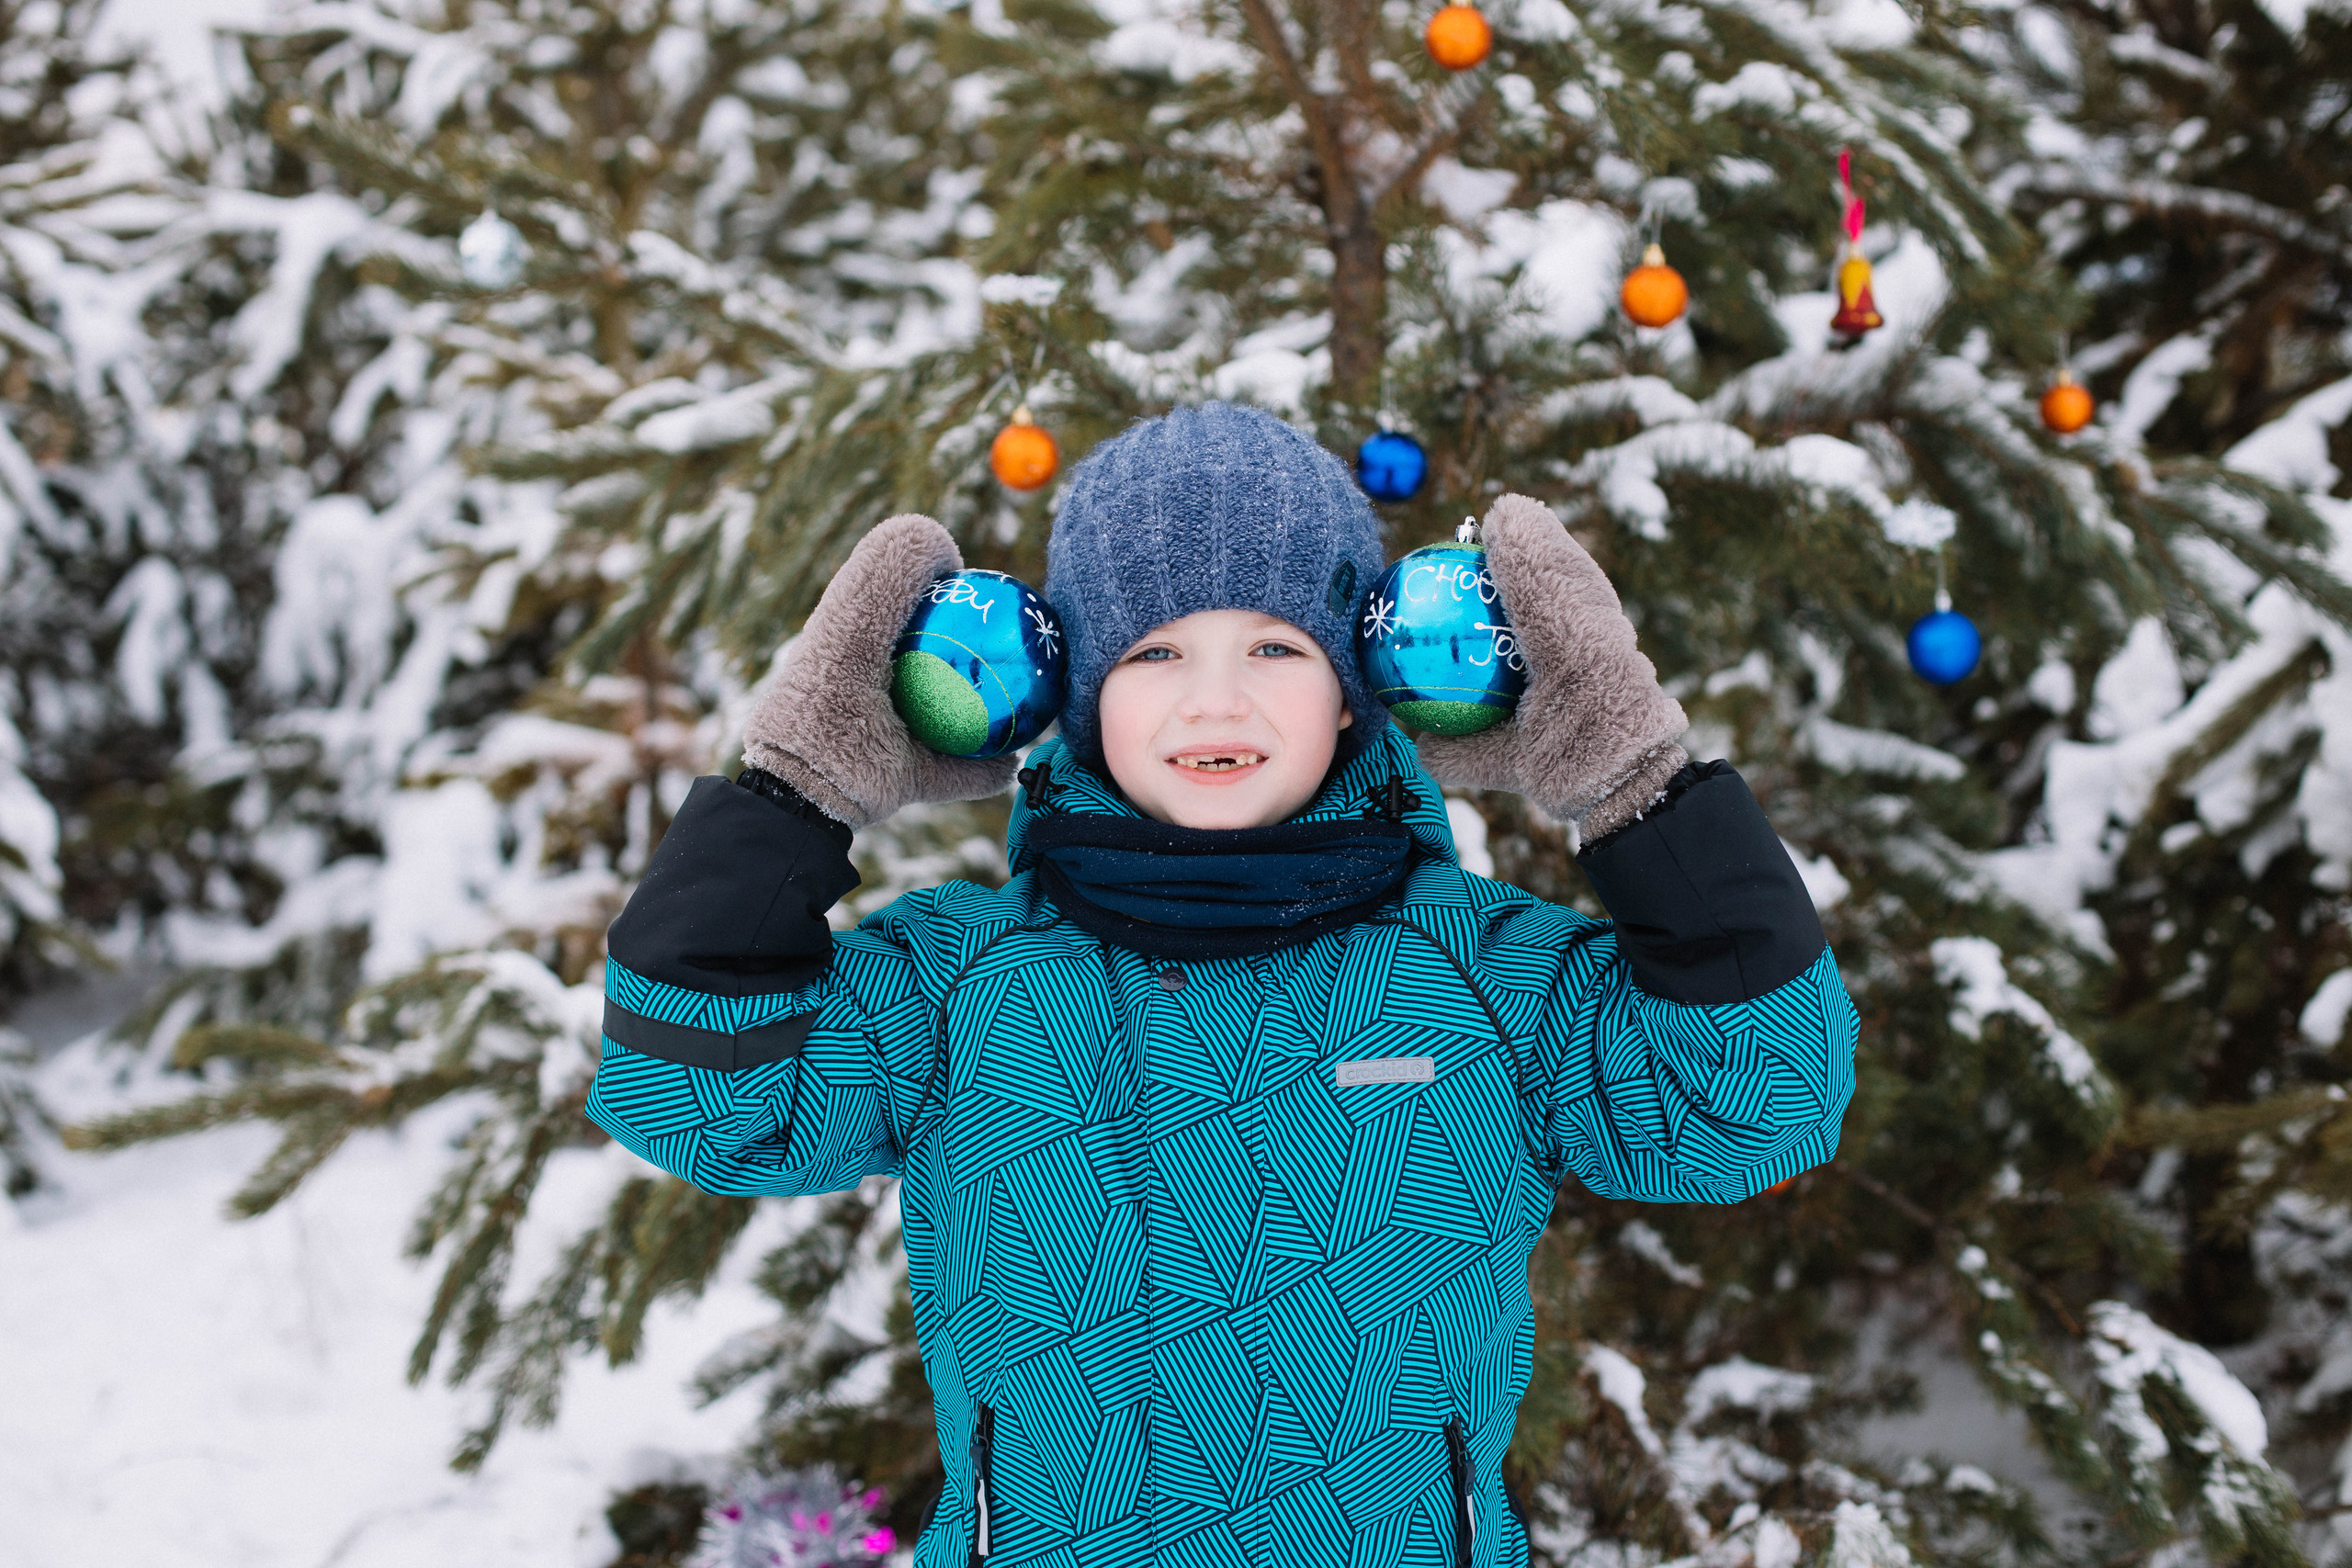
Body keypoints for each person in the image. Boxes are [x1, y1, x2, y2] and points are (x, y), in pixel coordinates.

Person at [587, 403, 1857, 1568]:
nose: (1216, 698)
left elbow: (1753, 1096)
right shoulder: (957, 985)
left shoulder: (1480, 977)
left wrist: (1635, 782)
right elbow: (694, 1093)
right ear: (1075, 703)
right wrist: (798, 785)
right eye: (1151, 655)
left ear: (1358, 693)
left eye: (1272, 645)